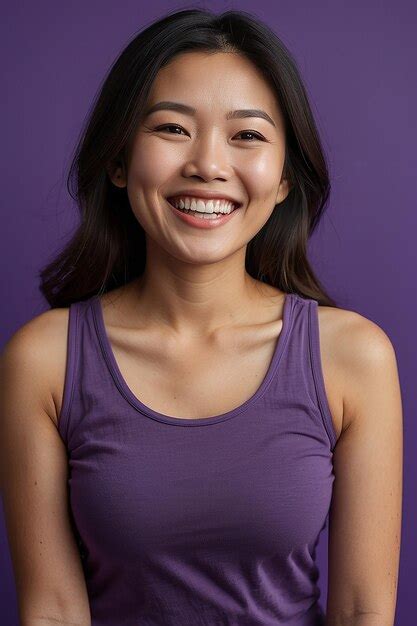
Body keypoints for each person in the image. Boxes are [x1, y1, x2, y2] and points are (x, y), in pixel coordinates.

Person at [0, 8, 403, 626]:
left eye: (247, 135)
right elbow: (52, 611)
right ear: (117, 160)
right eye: (171, 128)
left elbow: (360, 612)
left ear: (286, 178)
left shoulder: (354, 357)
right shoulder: (44, 359)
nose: (209, 166)